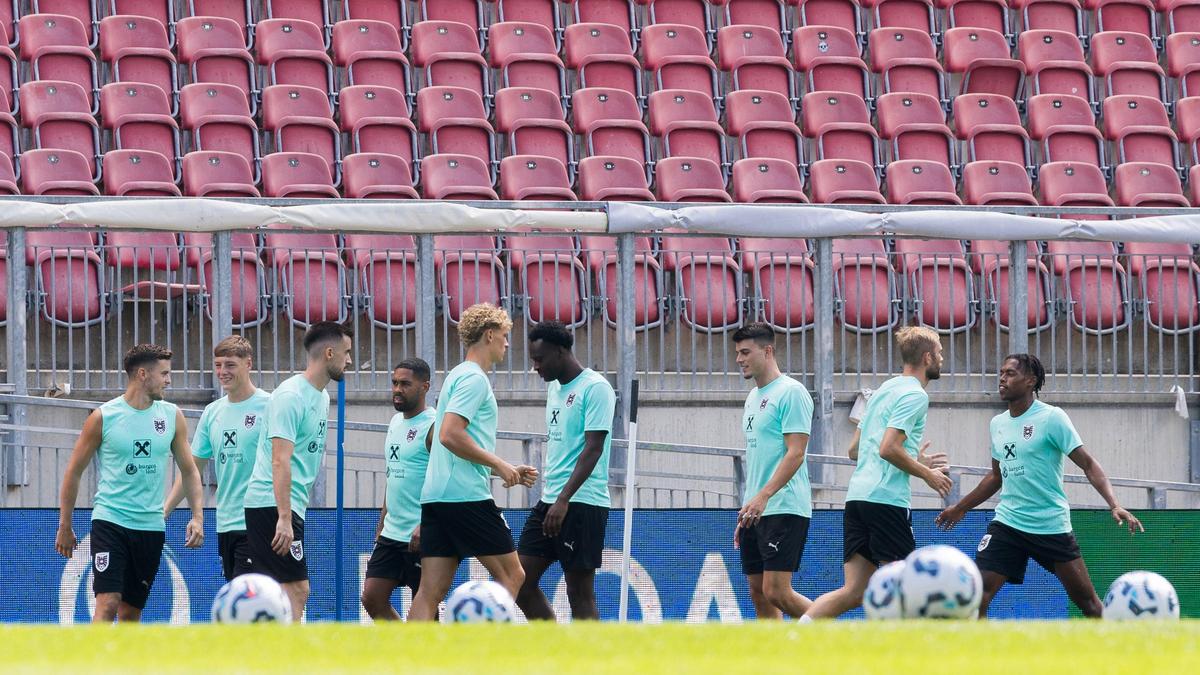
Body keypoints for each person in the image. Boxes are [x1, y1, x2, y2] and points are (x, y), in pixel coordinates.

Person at [935, 353, 1144, 617]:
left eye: (1010, 374)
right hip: (1008, 523)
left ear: (1030, 381)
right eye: (1001, 373)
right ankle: (983, 656)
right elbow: (996, 476)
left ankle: (1117, 653)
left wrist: (1114, 504)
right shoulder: (997, 424)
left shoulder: (1052, 418)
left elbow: (1089, 464)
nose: (1002, 379)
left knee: (1088, 605)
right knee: (978, 595)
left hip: (1049, 525)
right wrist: (961, 507)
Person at [802, 326, 951, 621]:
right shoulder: (915, 396)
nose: (942, 359)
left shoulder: (884, 390)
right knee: (908, 586)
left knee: (854, 591)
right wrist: (925, 473)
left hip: (858, 497)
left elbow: (855, 449)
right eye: (940, 354)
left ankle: (795, 637)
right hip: (886, 501)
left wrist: (911, 457)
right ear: (927, 357)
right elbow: (888, 448)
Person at [55, 344, 204, 622]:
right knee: (108, 603)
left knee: (131, 612)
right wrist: (65, 525)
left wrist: (197, 516)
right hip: (111, 522)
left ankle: (123, 666)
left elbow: (190, 470)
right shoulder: (103, 417)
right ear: (143, 374)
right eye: (165, 374)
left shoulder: (172, 416)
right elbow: (73, 472)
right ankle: (95, 667)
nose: (169, 380)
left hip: (150, 527)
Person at [408, 303, 538, 622]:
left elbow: (443, 437)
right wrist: (499, 463)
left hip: (437, 496)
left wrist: (500, 467)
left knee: (430, 591)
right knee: (513, 575)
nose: (508, 343)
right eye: (505, 336)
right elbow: (449, 435)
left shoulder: (456, 376)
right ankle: (480, 649)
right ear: (489, 335)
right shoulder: (474, 379)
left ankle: (406, 661)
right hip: (465, 495)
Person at [243, 321, 353, 619]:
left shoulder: (321, 396)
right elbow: (280, 460)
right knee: (296, 589)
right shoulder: (291, 396)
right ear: (329, 353)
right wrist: (283, 517)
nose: (350, 360)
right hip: (271, 504)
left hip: (285, 506)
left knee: (281, 589)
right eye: (346, 353)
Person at [516, 321, 616, 621]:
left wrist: (563, 500)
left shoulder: (595, 387)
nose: (536, 367)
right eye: (533, 360)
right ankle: (556, 651)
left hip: (581, 503)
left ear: (560, 352)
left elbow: (593, 448)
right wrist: (554, 498)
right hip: (550, 500)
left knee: (579, 593)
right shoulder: (556, 390)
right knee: (519, 580)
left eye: (540, 359)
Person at [164, 335, 269, 581]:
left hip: (259, 521)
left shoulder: (270, 405)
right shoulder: (212, 412)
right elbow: (192, 469)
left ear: (248, 364)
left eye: (230, 365)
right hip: (226, 523)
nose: (223, 371)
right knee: (238, 604)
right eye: (218, 365)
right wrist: (165, 512)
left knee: (248, 604)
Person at [729, 323, 814, 620]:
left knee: (777, 591)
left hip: (784, 505)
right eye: (737, 353)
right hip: (756, 508)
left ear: (767, 351)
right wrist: (750, 504)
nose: (739, 359)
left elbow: (796, 453)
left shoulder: (792, 393)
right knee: (758, 591)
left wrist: (763, 496)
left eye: (745, 352)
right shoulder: (753, 398)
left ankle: (838, 636)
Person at [361, 358, 436, 621]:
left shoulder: (434, 425)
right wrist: (382, 523)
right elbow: (393, 476)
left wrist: (426, 524)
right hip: (391, 533)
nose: (397, 389)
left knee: (424, 610)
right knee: (372, 597)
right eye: (394, 383)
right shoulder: (395, 422)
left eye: (405, 384)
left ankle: (433, 659)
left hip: (421, 534)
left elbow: (445, 482)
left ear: (425, 386)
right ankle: (406, 649)